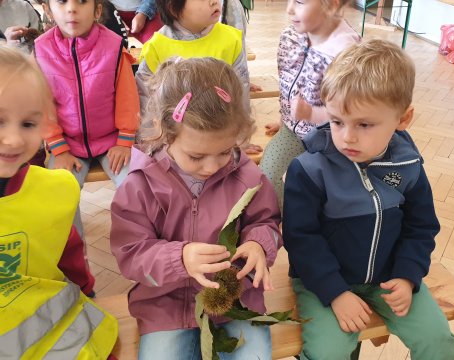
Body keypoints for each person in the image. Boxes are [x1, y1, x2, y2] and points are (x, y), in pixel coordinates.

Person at [283, 39, 454, 360]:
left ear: (403, 120)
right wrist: (335, 292)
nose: (347, 136)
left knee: (438, 340)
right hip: (323, 283)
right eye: (336, 121)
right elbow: (301, 239)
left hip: (390, 280)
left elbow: (422, 227)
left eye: (364, 124)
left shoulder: (409, 166)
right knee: (329, 351)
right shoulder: (308, 169)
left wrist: (407, 276)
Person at [110, 57, 282, 360]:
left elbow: (265, 220)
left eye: (225, 152)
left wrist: (258, 244)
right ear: (165, 133)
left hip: (235, 298)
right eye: (196, 155)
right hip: (164, 302)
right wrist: (179, 258)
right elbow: (131, 253)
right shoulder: (140, 186)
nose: (212, 166)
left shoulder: (249, 177)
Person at [0, 45, 118, 359]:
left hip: (53, 329)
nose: (12, 140)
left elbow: (70, 253)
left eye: (27, 124)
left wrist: (86, 289)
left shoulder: (52, 192)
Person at [34, 0, 140, 240]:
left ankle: (143, 251)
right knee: (60, 199)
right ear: (49, 10)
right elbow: (41, 104)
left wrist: (124, 140)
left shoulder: (113, 46)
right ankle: (75, 272)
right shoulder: (41, 50)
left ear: (97, 10)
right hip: (67, 144)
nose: (72, 8)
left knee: (139, 187)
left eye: (82, 1)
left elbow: (127, 97)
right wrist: (58, 147)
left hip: (112, 141)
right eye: (62, 2)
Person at [259, 0, 360, 208]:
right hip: (292, 130)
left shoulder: (345, 53)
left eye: (300, 1)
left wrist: (311, 114)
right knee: (266, 177)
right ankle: (277, 225)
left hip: (329, 141)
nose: (289, 9)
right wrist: (284, 118)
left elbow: (350, 115)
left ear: (331, 5)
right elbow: (288, 85)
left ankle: (302, 226)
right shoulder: (291, 36)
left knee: (309, 191)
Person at [135, 0, 261, 154]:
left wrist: (241, 137)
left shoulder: (231, 39)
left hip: (221, 137)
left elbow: (241, 89)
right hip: (174, 143)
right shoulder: (156, 47)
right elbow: (146, 99)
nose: (215, 2)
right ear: (173, 8)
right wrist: (154, 143)